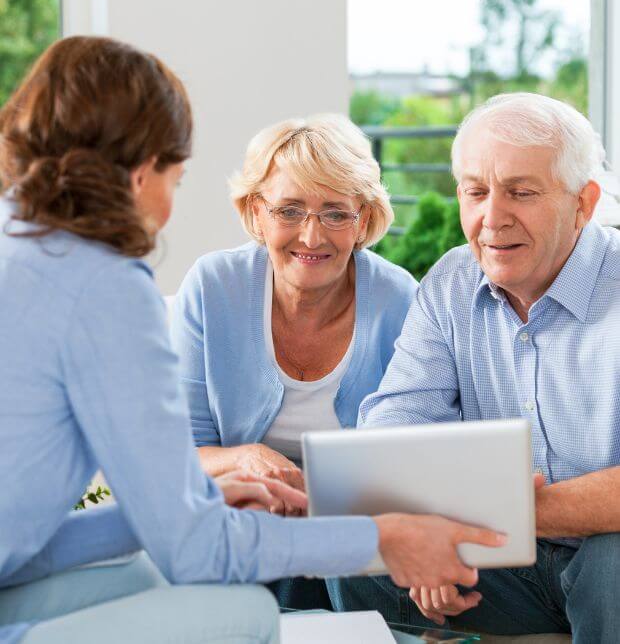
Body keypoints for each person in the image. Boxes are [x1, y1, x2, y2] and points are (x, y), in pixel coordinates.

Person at [0, 36, 504, 644]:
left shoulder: (22, 243)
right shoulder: (108, 285)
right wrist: (387, 538)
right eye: (175, 177)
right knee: (248, 614)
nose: (167, 206)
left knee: (140, 576)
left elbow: (27, 542)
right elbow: (195, 552)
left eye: (335, 212)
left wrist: (190, 504)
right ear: (139, 174)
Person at [331, 93, 620, 644]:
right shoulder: (452, 281)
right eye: (476, 191)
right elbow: (391, 435)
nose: (492, 218)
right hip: (498, 563)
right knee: (352, 551)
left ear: (583, 203)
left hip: (604, 552)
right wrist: (424, 534)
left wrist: (504, 509)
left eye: (521, 192)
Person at [170, 114, 417, 608]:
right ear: (256, 213)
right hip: (242, 523)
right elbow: (180, 453)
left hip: (352, 535)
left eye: (334, 213)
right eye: (289, 211)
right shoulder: (212, 286)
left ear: (363, 219)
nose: (311, 236)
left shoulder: (400, 299)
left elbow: (412, 459)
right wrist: (244, 456)